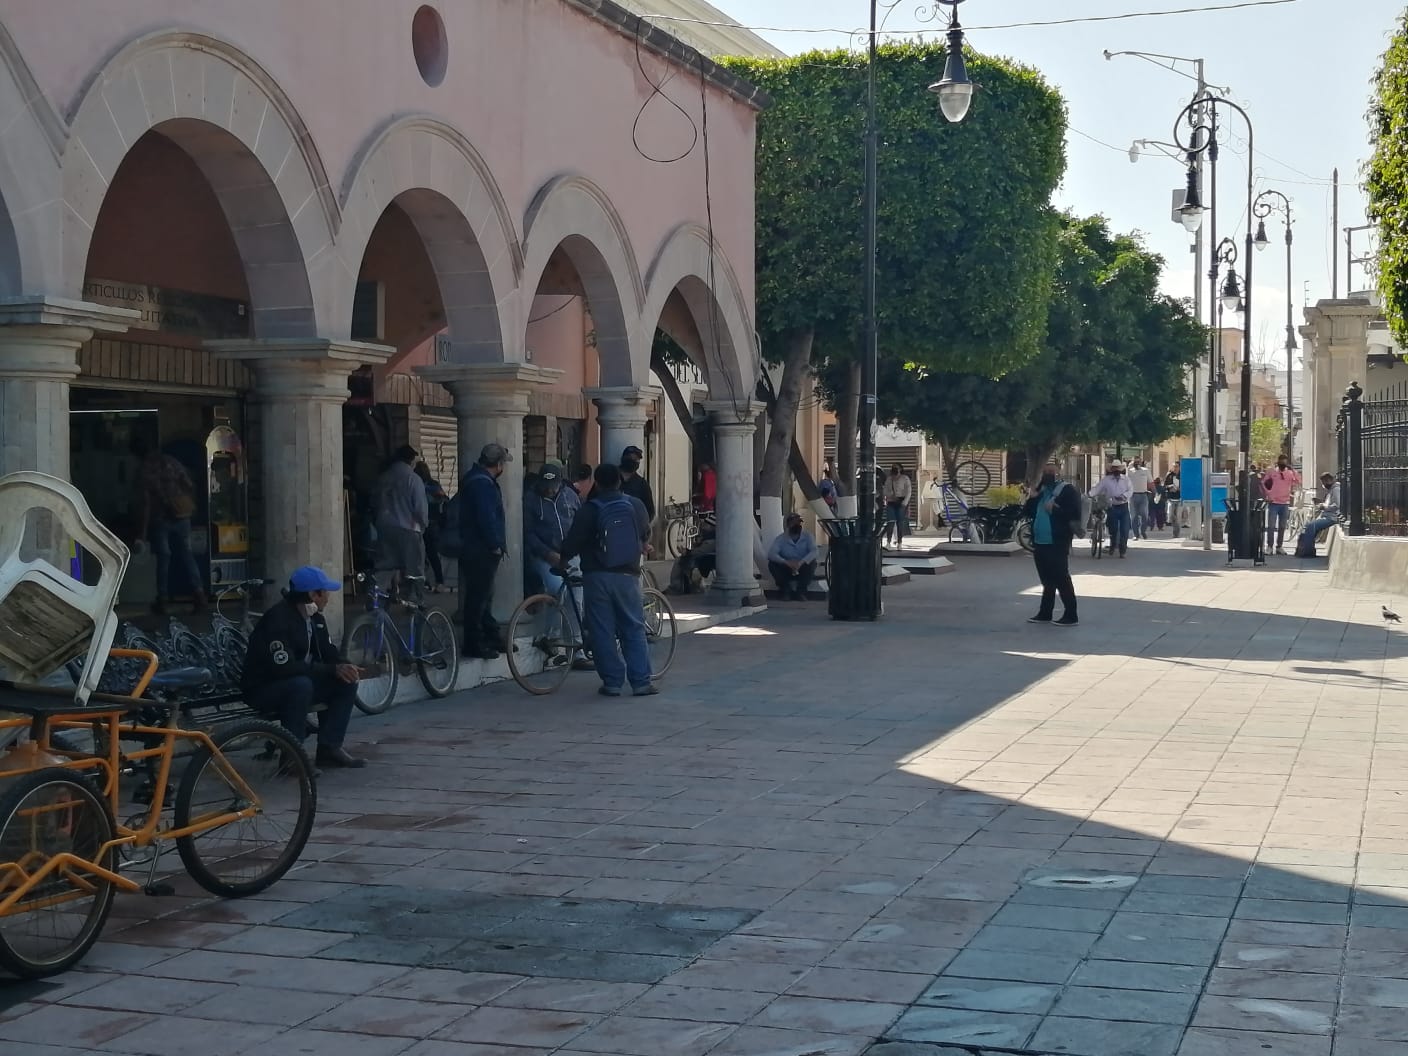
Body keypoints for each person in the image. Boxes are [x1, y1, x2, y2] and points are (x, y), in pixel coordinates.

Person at [242, 566, 365, 769]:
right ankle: (292, 757)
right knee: (301, 686)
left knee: (345, 682)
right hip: (263, 688)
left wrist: (344, 666)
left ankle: (329, 748)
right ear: (312, 594)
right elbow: (284, 667)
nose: (327, 597)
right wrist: (329, 670)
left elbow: (328, 653)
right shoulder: (278, 619)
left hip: (297, 682)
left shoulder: (315, 618)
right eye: (324, 592)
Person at [560, 464, 655, 697]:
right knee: (633, 627)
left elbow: (573, 542)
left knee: (602, 630)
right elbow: (645, 533)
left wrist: (561, 560)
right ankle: (641, 682)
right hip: (628, 576)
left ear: (597, 483)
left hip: (597, 577)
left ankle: (612, 682)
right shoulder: (635, 505)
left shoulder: (589, 510)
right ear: (619, 482)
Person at [132, 436, 207, 615]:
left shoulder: (145, 470)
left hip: (162, 520)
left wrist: (141, 533)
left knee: (164, 558)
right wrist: (187, 504)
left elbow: (146, 504)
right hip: (182, 517)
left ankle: (163, 599)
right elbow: (189, 484)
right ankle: (199, 594)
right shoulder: (171, 462)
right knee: (187, 554)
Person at [459, 443, 511, 659]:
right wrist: (495, 545)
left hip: (474, 547)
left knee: (484, 595)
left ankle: (491, 634)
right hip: (479, 549)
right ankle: (474, 643)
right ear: (498, 464)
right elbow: (486, 518)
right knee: (478, 597)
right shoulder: (482, 485)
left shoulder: (475, 479)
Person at [1024, 463, 1081, 626]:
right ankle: (1045, 613)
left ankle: (1071, 615)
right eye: (1046, 472)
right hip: (1040, 542)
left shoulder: (1067, 491)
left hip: (1057, 541)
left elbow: (1073, 514)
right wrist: (1032, 498)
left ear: (1059, 473)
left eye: (1051, 472)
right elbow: (1027, 512)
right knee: (1047, 580)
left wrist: (1055, 509)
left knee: (1061, 578)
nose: (1048, 474)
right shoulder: (1041, 491)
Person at [375, 445, 429, 591]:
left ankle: (378, 597)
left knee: (386, 566)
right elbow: (420, 508)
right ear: (410, 460)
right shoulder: (413, 479)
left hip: (384, 528)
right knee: (414, 569)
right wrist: (424, 524)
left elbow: (374, 502)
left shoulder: (383, 477)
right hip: (409, 529)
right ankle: (415, 601)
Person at [414, 461, 449, 592]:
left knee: (419, 555)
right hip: (432, 524)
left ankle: (423, 582)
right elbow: (444, 500)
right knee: (432, 554)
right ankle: (439, 582)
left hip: (419, 524)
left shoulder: (417, 485)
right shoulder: (434, 485)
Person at [767, 512, 818, 601]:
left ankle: (801, 592)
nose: (797, 525)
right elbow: (771, 554)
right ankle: (786, 591)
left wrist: (801, 562)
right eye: (794, 523)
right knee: (772, 564)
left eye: (799, 523)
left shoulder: (808, 536)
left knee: (812, 563)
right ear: (788, 525)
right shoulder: (781, 539)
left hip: (802, 567)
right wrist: (786, 562)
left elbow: (814, 551)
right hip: (787, 568)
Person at [1090, 460, 1134, 558]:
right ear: (1112, 469)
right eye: (1114, 468)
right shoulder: (1106, 480)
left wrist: (1123, 496)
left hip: (1123, 506)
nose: (1116, 470)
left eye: (1118, 468)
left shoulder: (1126, 480)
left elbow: (1130, 490)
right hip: (1112, 506)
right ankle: (1113, 545)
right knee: (1113, 529)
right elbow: (1097, 489)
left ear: (1121, 469)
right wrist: (1089, 494)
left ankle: (1123, 551)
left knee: (1125, 530)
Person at [1261, 455, 1301, 555]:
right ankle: (1269, 546)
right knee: (1271, 526)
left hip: (1285, 503)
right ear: (1278, 461)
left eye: (1285, 461)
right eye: (1281, 461)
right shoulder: (1272, 472)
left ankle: (1279, 546)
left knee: (1282, 526)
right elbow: (1263, 483)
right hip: (1273, 503)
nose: (1283, 463)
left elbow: (1298, 481)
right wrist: (1268, 494)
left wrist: (1294, 471)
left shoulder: (1289, 473)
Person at [1295, 473, 1341, 557]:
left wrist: (1324, 507)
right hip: (1327, 515)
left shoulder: (1336, 490)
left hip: (1332, 517)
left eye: (1324, 483)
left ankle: (1307, 552)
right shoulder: (1331, 490)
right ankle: (1305, 550)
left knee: (1310, 527)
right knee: (1307, 527)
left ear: (1328, 480)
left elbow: (1337, 505)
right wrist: (1321, 503)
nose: (1323, 485)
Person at [619, 445, 655, 522]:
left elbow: (650, 511)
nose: (634, 461)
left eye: (636, 459)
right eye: (631, 458)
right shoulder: (609, 476)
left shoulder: (642, 484)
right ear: (624, 458)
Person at [882, 465, 912, 548]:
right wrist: (890, 495)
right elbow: (884, 491)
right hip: (891, 502)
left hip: (901, 502)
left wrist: (905, 503)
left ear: (900, 469)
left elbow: (909, 491)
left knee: (900, 523)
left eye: (897, 468)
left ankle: (899, 543)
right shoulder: (889, 479)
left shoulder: (905, 478)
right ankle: (888, 542)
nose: (895, 470)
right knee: (890, 522)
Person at [1127, 457, 1153, 540]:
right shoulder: (1129, 471)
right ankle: (1136, 534)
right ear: (1133, 462)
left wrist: (1155, 492)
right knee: (1133, 516)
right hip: (1132, 496)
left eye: (1138, 461)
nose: (1137, 463)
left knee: (1144, 515)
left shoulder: (1145, 470)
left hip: (1143, 495)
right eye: (1135, 461)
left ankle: (1143, 531)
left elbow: (1150, 482)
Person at [1164, 467, 1182, 537]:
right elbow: (1165, 485)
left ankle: (1176, 533)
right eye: (1174, 467)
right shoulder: (1169, 475)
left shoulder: (1182, 475)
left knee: (1177, 516)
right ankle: (1175, 528)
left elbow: (1186, 485)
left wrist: (1180, 489)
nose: (1175, 468)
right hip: (1171, 498)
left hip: (1179, 498)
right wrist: (1170, 486)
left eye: (1177, 467)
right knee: (1171, 515)